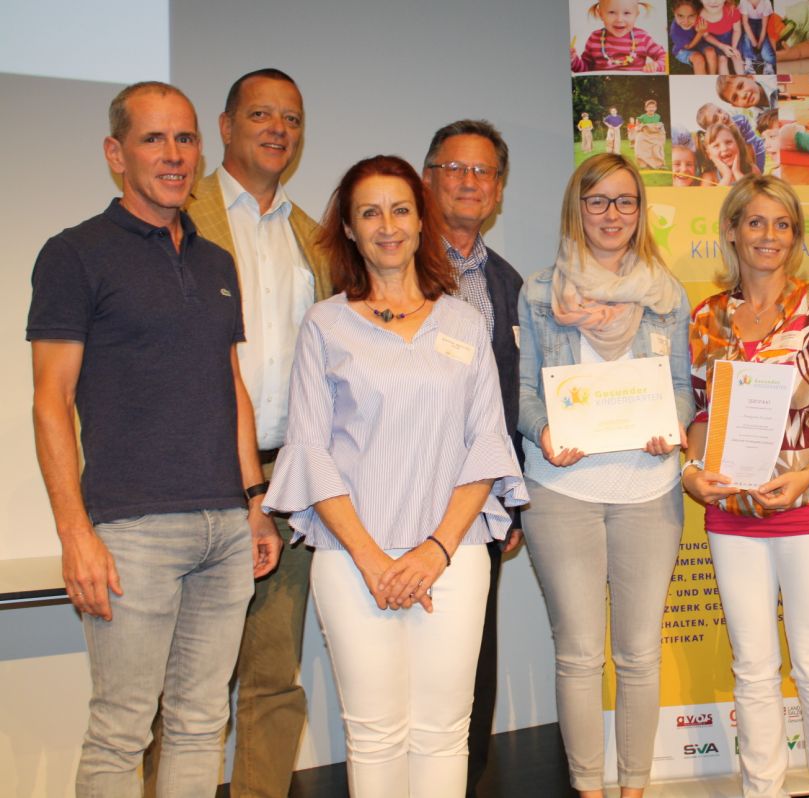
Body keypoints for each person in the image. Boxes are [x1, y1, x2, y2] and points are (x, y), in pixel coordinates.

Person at [27, 81, 280, 796]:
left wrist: (254, 503)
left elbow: (230, 386)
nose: (174, 155)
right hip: (133, 532)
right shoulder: (75, 254)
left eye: (186, 138)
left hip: (225, 528)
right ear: (116, 153)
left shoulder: (214, 261)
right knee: (122, 732)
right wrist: (75, 534)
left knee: (202, 723)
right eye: (154, 139)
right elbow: (50, 402)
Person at [262, 155, 526, 797]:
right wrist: (374, 560)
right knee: (375, 735)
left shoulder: (463, 322)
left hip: (453, 555)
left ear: (421, 219)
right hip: (354, 559)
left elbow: (486, 444)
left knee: (445, 732)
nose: (388, 226)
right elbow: (311, 450)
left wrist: (435, 550)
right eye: (370, 213)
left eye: (401, 210)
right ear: (349, 229)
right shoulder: (325, 324)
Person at [137, 66, 330, 798]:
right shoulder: (171, 219)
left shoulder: (315, 240)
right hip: (194, 477)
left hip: (285, 480)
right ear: (224, 127)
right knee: (181, 684)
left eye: (292, 118)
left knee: (273, 678)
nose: (278, 129)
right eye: (260, 114)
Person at [684, 174, 809, 798]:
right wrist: (693, 472)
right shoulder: (707, 317)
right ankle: (761, 791)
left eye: (782, 224)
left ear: (796, 236)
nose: (769, 235)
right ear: (732, 230)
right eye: (756, 222)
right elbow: (700, 415)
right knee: (753, 668)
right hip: (732, 511)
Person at [517, 153, 692, 798]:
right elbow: (523, 391)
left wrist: (671, 425)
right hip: (562, 492)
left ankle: (635, 788)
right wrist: (543, 431)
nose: (612, 214)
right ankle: (589, 788)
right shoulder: (541, 292)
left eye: (625, 201)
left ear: (640, 211)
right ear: (578, 208)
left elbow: (683, 389)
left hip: (649, 491)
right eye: (597, 200)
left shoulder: (667, 294)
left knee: (640, 654)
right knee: (579, 654)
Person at [422, 119, 525, 798]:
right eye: (454, 168)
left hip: (481, 504)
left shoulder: (510, 282)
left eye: (482, 171)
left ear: (498, 190)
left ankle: (464, 782)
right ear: (427, 178)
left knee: (473, 653)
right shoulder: (394, 265)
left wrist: (514, 500)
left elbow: (514, 399)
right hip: (401, 497)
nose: (468, 182)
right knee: (406, 656)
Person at [571, 0, 667, 73]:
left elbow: (665, 58)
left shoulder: (642, 38)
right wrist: (573, 60)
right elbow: (584, 70)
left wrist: (656, 65)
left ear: (636, 15)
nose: (619, 19)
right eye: (612, 12)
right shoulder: (594, 39)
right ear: (601, 14)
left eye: (627, 13)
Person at [703, 121, 761, 185]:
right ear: (709, 155)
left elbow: (753, 191)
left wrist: (737, 172)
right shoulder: (709, 178)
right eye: (716, 146)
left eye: (728, 142)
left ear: (738, 145)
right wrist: (727, 175)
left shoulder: (752, 170)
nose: (724, 148)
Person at [670, 0, 716, 74]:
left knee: (710, 52)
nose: (686, 21)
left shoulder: (701, 18)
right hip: (683, 49)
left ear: (698, 13)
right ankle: (702, 79)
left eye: (691, 16)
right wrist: (700, 33)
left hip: (699, 44)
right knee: (698, 58)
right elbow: (688, 46)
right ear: (674, 12)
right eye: (680, 16)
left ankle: (712, 76)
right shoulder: (675, 31)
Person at [738, 0, 777, 74]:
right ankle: (748, 61)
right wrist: (754, 43)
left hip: (762, 22)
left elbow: (764, 27)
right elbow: (745, 23)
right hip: (749, 21)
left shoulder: (766, 2)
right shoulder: (744, 1)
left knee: (767, 53)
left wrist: (759, 44)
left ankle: (768, 64)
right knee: (746, 38)